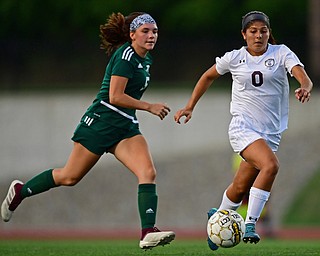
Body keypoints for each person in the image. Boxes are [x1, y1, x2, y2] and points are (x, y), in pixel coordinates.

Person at [1, 12, 175, 250]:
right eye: (145, 31)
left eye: (154, 31)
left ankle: (147, 232)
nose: (151, 35)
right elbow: (115, 96)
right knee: (69, 177)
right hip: (101, 122)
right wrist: (149, 106)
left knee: (147, 172)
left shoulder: (146, 59)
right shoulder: (126, 56)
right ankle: (21, 191)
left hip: (124, 126)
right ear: (131, 34)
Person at [174, 11, 313, 250]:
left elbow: (304, 77)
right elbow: (207, 77)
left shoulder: (281, 53)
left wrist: (304, 86)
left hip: (270, 134)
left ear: (269, 33)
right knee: (271, 165)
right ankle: (250, 224)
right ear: (244, 34)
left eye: (263, 31)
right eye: (253, 31)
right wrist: (189, 106)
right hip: (243, 128)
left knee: (239, 188)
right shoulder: (234, 58)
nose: (259, 36)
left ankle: (217, 218)